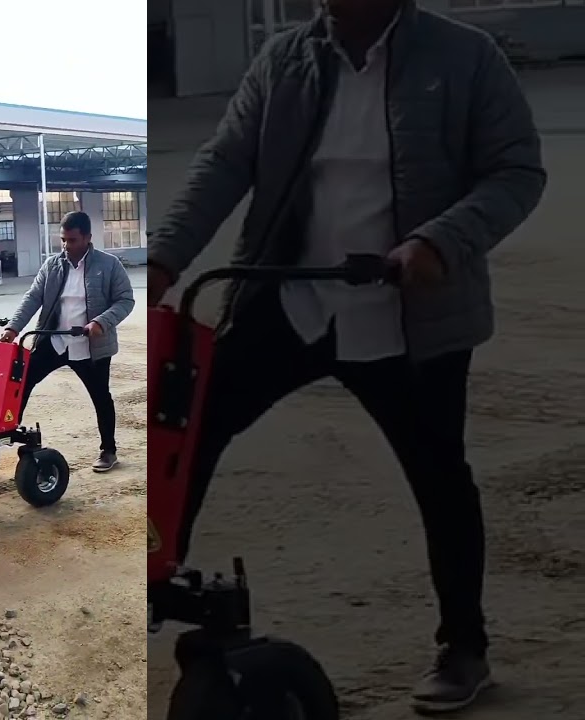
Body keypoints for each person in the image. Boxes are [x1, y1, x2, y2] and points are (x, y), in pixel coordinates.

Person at [147, 0, 545, 714]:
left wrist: (438, 243)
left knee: (440, 477)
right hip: (291, 298)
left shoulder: (464, 57)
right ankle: (153, 582)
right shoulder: (286, 61)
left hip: (408, 315)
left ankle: (465, 648)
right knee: (186, 438)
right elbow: (226, 162)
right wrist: (166, 258)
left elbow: (516, 172)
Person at [0, 211, 136, 472]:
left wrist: (100, 322)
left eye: (72, 240)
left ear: (87, 237)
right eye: (63, 239)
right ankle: (8, 431)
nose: (66, 245)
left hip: (90, 347)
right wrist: (13, 328)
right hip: (54, 341)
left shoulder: (109, 265)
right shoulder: (52, 265)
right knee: (22, 382)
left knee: (101, 397)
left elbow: (125, 300)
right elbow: (32, 298)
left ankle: (108, 451)